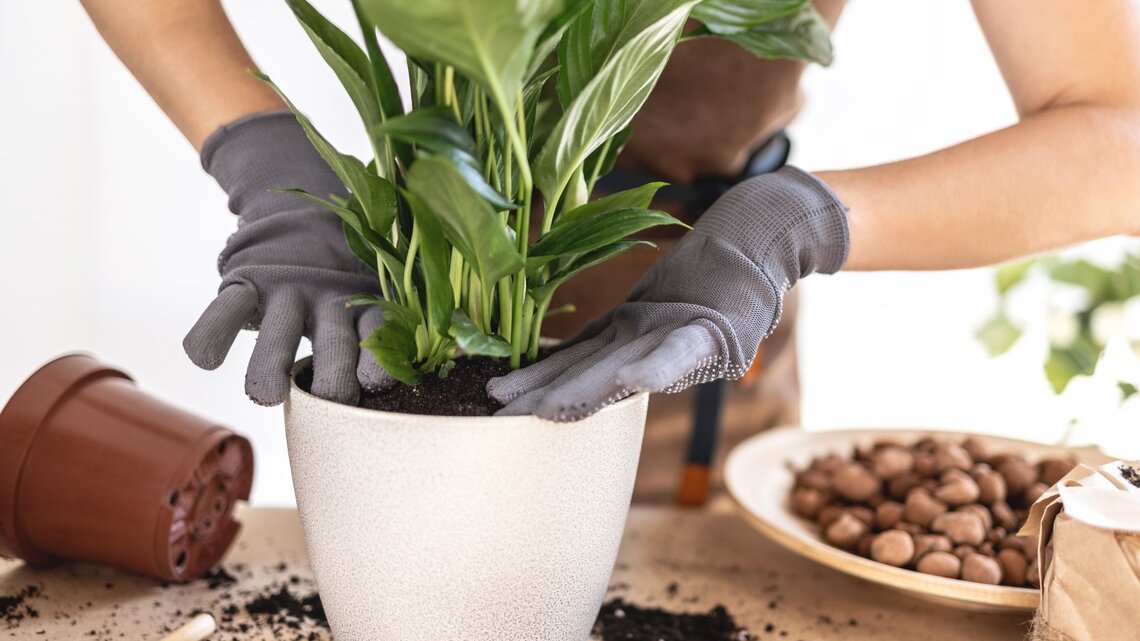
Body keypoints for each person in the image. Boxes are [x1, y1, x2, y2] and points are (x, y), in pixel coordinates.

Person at [80, 0, 1140, 503]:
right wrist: (260, 150)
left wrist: (792, 223)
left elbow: (1116, 132)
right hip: (407, 330)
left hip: (681, 346)